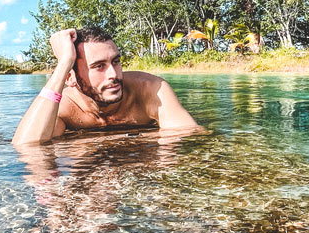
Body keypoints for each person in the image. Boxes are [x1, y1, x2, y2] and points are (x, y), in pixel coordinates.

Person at [12, 26, 200, 145]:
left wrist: (97, 141)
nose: (114, 74)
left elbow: (192, 133)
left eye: (116, 62)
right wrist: (64, 64)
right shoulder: (63, 108)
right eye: (99, 66)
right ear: (70, 77)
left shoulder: (150, 89)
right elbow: (26, 146)